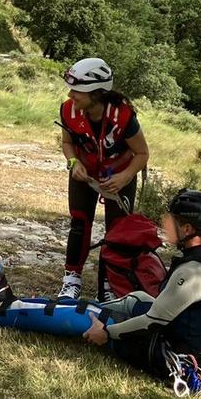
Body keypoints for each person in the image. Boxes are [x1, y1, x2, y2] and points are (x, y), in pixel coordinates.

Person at [0, 190, 201, 395]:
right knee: (136, 299)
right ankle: (35, 306)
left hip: (177, 362)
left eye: (172, 219)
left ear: (188, 230)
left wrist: (107, 334)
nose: (164, 222)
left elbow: (152, 322)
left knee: (92, 317)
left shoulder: (193, 273)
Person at [58, 58, 149, 299]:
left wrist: (125, 176)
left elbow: (142, 154)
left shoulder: (124, 117)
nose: (71, 94)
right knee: (79, 223)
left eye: (77, 90)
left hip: (119, 176)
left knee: (117, 232)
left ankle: (110, 285)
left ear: (96, 93)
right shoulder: (68, 110)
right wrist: (73, 162)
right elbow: (67, 143)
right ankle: (71, 279)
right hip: (85, 173)